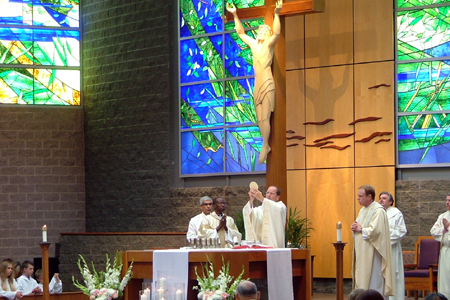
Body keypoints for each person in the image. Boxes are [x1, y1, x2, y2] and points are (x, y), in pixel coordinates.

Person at [226, 0, 282, 164]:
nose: (261, 32)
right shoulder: (253, 45)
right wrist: (235, 14)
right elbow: (241, 33)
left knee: (265, 116)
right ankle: (265, 143)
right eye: (260, 30)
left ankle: (266, 145)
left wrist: (277, 13)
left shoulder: (268, 45)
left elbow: (277, 33)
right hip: (258, 84)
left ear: (267, 35)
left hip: (267, 83)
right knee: (259, 118)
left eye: (264, 31)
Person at [351, 185, 395, 299]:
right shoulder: (363, 210)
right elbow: (360, 228)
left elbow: (376, 231)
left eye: (361, 196)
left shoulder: (378, 211)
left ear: (369, 196)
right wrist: (355, 227)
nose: (358, 199)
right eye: (358, 196)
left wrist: (360, 229)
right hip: (363, 253)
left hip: (374, 254)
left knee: (374, 281)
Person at [379, 191, 407, 300]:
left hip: (392, 249)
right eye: (380, 198)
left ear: (390, 202)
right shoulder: (377, 213)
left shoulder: (396, 213)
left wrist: (385, 234)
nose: (381, 200)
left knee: (392, 275)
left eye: (384, 198)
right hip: (379, 249)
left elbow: (401, 231)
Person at [430, 193, 450, 298]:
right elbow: (433, 231)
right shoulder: (442, 216)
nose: (447, 202)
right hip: (446, 251)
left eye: (449, 201)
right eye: (446, 200)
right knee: (445, 280)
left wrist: (449, 227)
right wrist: (443, 229)